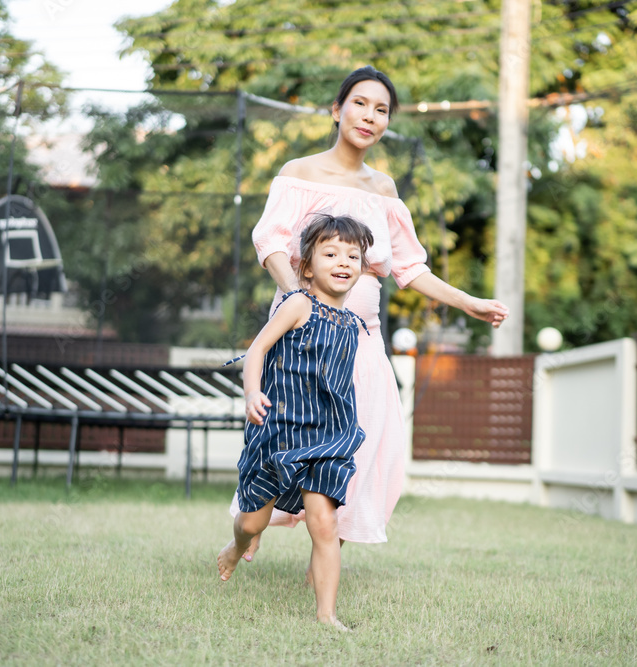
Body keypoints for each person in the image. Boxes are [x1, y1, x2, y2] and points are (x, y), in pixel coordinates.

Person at [236, 65, 509, 560]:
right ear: (337, 110)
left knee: (358, 449)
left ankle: (324, 565)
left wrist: (468, 301)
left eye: (381, 110)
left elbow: (410, 267)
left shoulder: (384, 189)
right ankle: (251, 525)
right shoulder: (300, 173)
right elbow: (270, 242)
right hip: (302, 334)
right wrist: (301, 299)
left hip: (362, 342)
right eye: (360, 103)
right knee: (285, 436)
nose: (370, 116)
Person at [217, 212, 375, 631]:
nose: (343, 262)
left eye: (353, 256)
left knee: (324, 523)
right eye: (331, 253)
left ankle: (326, 615)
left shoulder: (353, 324)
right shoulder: (298, 305)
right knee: (253, 521)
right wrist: (253, 392)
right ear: (306, 266)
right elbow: (257, 351)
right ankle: (236, 546)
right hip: (279, 432)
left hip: (327, 438)